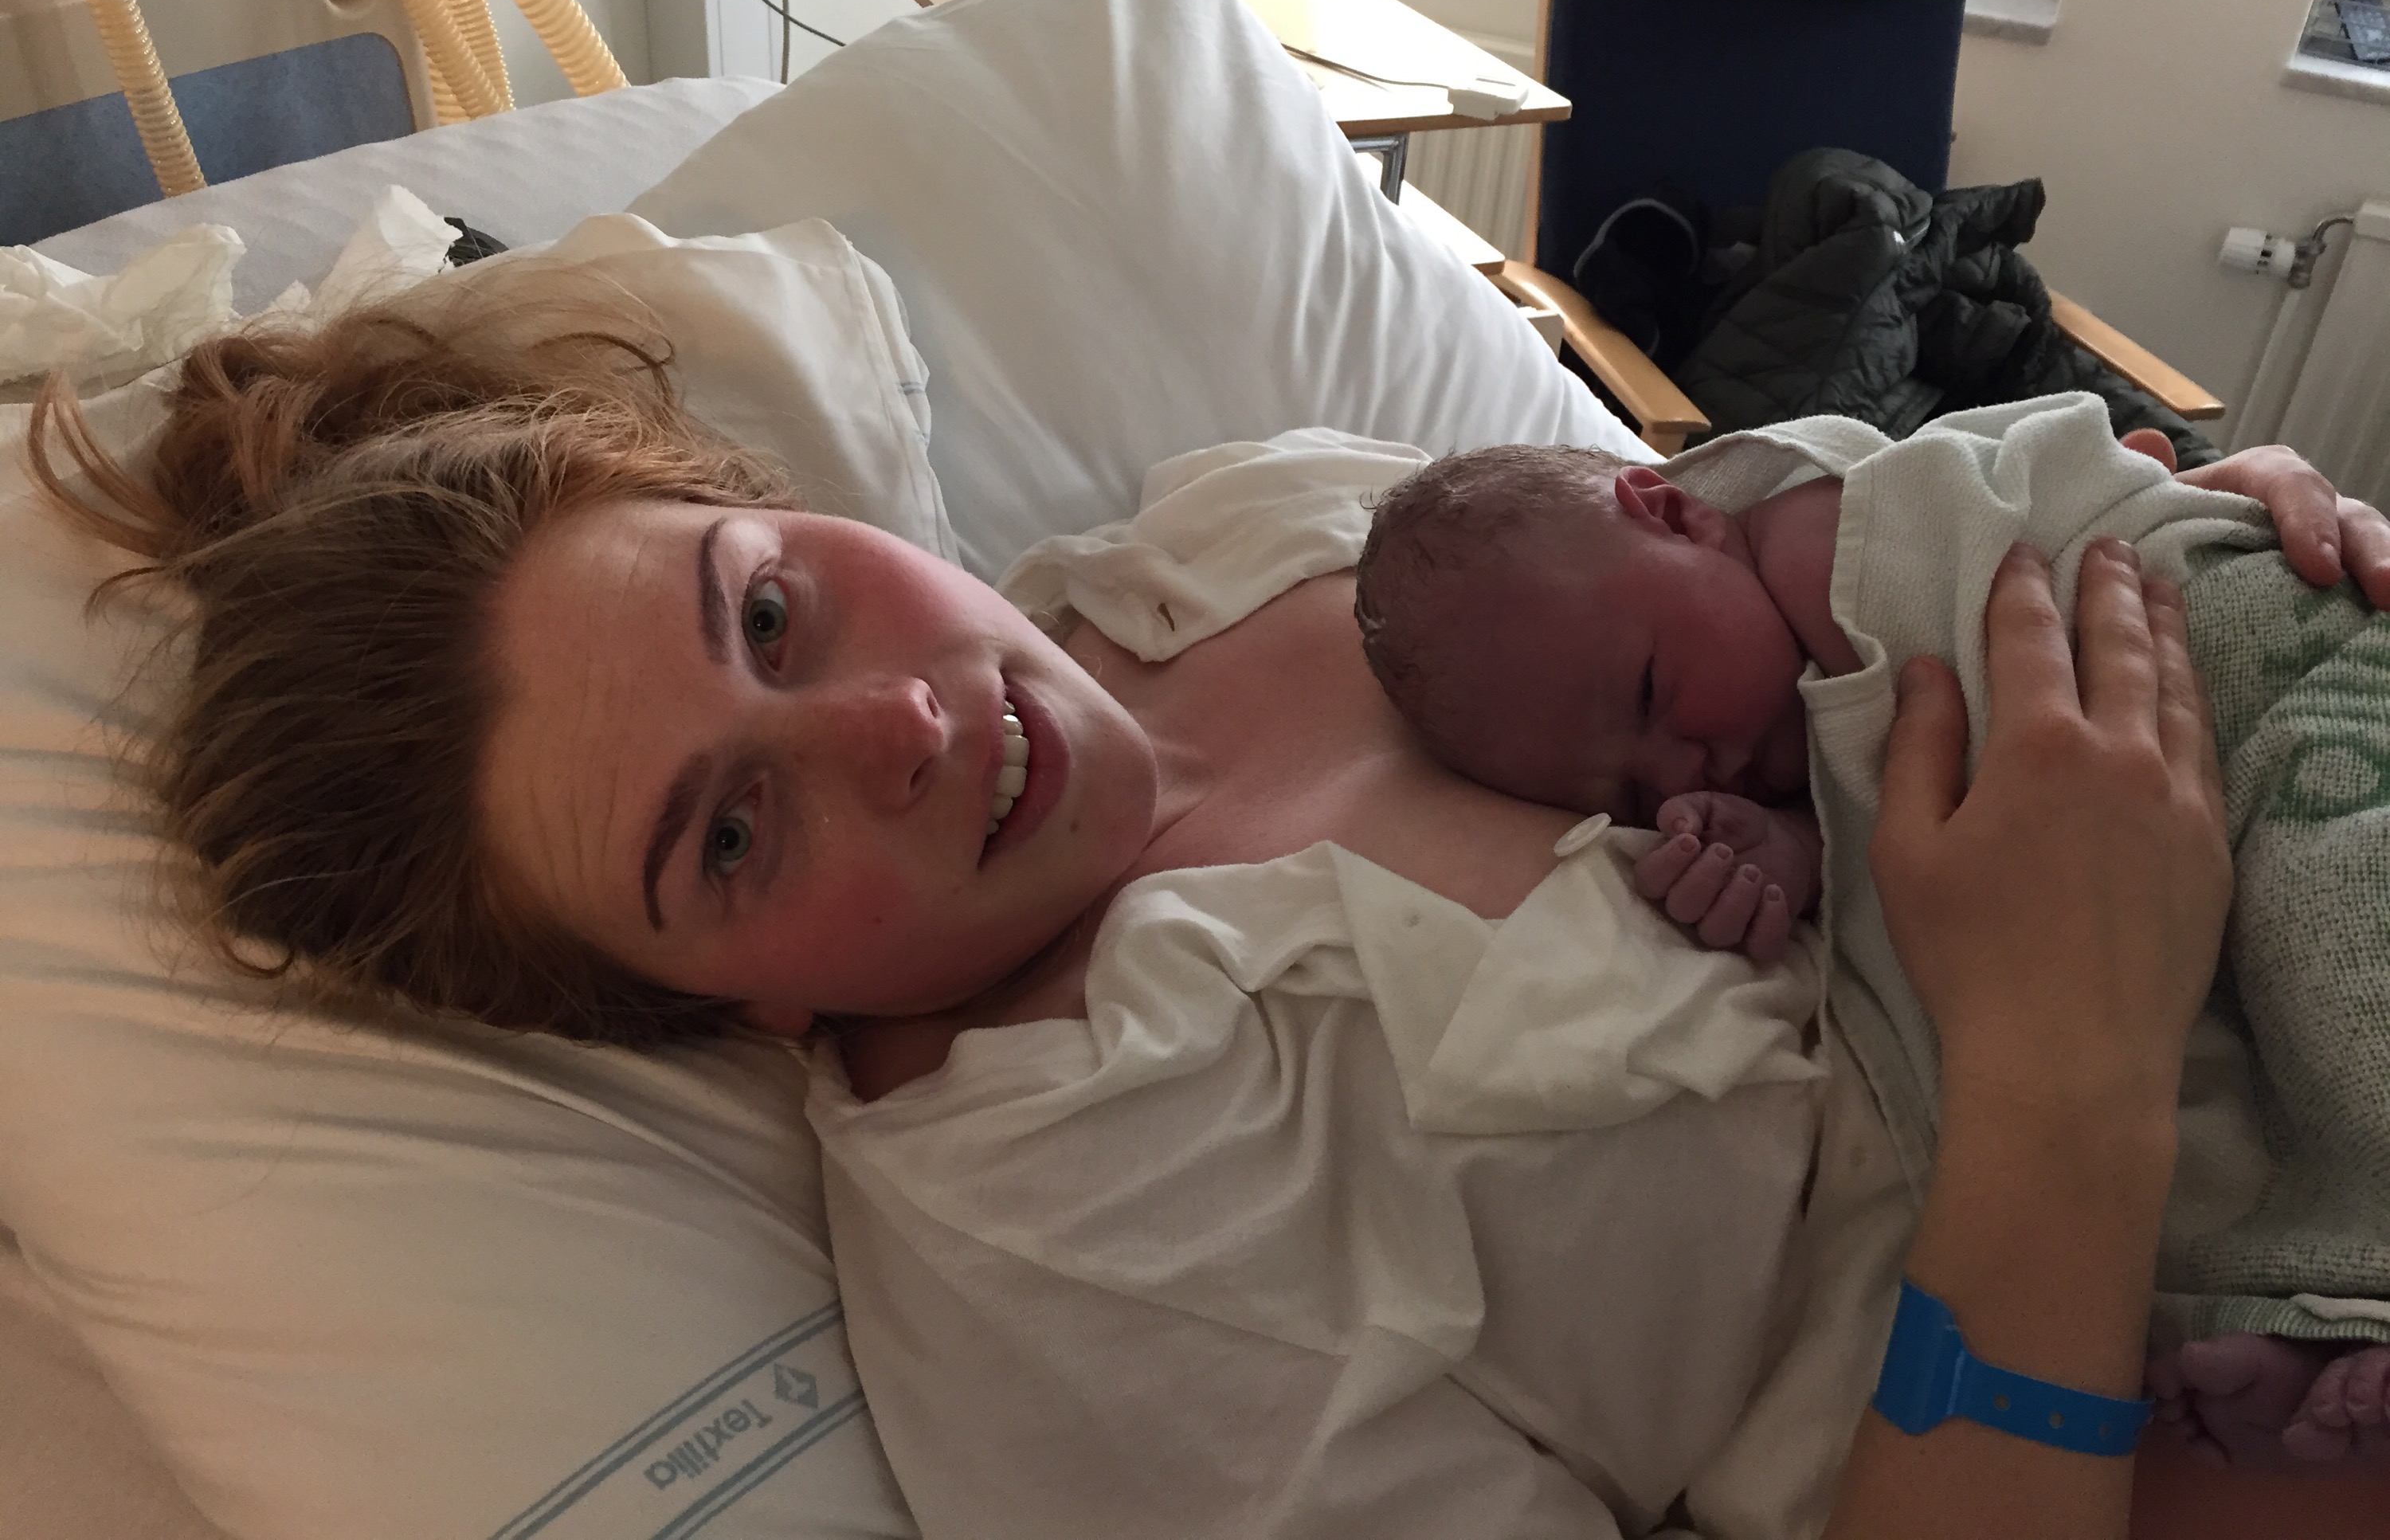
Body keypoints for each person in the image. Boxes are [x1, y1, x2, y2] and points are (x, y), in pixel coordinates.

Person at [28, 276, 2390, 1539]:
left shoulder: (1265, 521)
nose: (897, 726)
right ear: (707, 1010)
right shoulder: (1077, 1285)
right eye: (729, 839)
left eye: (769, 609)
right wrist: (2065, 1080)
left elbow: (1759, 561)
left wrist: (2168, 519)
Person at [1350, 398, 2390, 1476]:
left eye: (1653, 692)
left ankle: (2361, 1275)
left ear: (1677, 513)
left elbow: (1978, 696)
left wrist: (2173, 488)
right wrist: (1791, 850)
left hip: (2274, 673)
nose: (1682, 764)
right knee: (2223, 1096)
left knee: (2343, 939)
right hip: (2174, 821)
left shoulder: (1828, 533)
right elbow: (1916, 825)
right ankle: (2306, 1304)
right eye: (1629, 792)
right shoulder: (1787, 687)